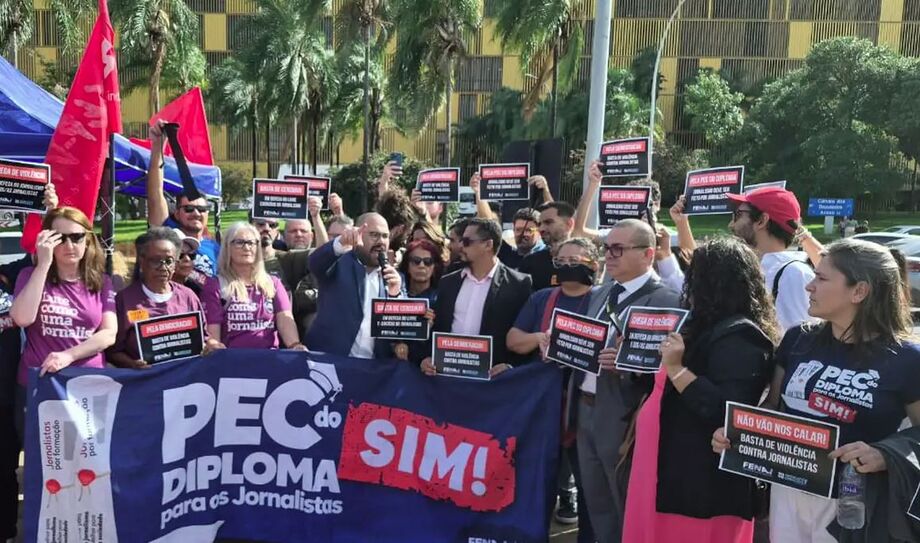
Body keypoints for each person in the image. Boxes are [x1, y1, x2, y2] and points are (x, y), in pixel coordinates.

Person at [712, 239, 920, 543]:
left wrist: (884, 454)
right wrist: (738, 433)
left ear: (859, 291)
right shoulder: (798, 339)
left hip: (852, 503)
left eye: (821, 278)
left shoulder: (908, 359)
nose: (809, 286)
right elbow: (773, 408)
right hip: (787, 491)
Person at [622, 237, 780, 543]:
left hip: (698, 480)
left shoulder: (743, 336)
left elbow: (727, 410)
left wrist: (678, 369)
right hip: (664, 460)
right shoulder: (702, 323)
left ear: (713, 281)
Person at [577, 219, 681, 543]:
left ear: (648, 254)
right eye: (607, 247)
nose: (609, 255)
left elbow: (668, 365)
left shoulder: (668, 299)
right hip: (585, 410)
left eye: (618, 249)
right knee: (597, 503)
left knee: (625, 504)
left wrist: (628, 364)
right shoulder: (601, 292)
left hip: (625, 417)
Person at [507, 237, 602, 540]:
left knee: (589, 485)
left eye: (575, 262)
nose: (568, 267)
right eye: (562, 262)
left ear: (593, 265)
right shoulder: (542, 299)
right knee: (534, 480)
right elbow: (513, 340)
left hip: (586, 408)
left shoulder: (603, 300)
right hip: (544, 405)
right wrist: (540, 338)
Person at [10, 207, 117, 425]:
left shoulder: (102, 281)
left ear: (87, 240)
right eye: (60, 238)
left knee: (87, 457)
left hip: (86, 383)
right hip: (40, 382)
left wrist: (68, 355)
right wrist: (44, 264)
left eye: (77, 237)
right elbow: (22, 318)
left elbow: (108, 334)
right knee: (40, 456)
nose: (69, 245)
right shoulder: (29, 275)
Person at [0, 182, 57, 543]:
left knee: (5, 468)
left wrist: (47, 211)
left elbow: (43, 259)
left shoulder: (13, 274)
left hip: (4, 393)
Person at [419, 218, 532, 376]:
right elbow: (437, 328)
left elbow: (524, 334)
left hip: (492, 383)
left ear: (488, 245)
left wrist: (510, 366)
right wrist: (425, 359)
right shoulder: (448, 282)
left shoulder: (518, 284)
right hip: (446, 377)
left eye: (466, 242)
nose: (460, 246)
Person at [307, 213, 404, 358]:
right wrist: (340, 242)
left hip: (374, 370)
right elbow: (315, 263)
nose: (381, 241)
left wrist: (396, 295)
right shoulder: (338, 263)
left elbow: (402, 328)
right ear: (358, 234)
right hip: (331, 363)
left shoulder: (394, 278)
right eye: (374, 235)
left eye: (385, 236)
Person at [107, 228, 205, 368]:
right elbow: (113, 351)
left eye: (169, 261)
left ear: (175, 264)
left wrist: (212, 346)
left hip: (184, 380)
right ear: (142, 261)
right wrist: (132, 364)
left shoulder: (188, 296)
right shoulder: (124, 300)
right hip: (145, 382)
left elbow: (204, 339)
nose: (163, 267)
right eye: (155, 261)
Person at [200, 222, 304, 351]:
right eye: (239, 242)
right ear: (227, 247)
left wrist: (294, 345)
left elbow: (285, 319)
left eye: (251, 243)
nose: (246, 247)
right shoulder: (215, 285)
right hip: (232, 361)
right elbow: (212, 333)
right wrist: (214, 346)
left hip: (269, 359)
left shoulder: (273, 283)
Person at [146, 120, 220, 284]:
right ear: (177, 213)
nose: (196, 213)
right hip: (175, 306)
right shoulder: (166, 234)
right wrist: (158, 144)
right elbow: (155, 193)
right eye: (188, 209)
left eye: (202, 209)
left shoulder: (217, 248)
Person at [519, 202, 577, 291]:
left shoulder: (583, 262)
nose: (541, 229)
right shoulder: (530, 263)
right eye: (539, 224)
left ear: (569, 224)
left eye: (548, 222)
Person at [170, 231, 203, 296]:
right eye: (179, 254)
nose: (187, 259)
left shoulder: (196, 288)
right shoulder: (155, 290)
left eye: (191, 255)